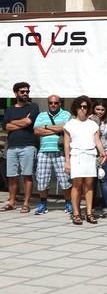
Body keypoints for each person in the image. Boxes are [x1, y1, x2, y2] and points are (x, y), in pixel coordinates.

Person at [63, 96, 107, 225]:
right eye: (80, 106)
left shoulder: (92, 124)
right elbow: (66, 144)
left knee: (89, 185)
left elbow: (97, 140)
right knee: (76, 185)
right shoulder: (70, 124)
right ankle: (76, 213)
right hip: (76, 155)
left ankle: (89, 212)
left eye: (85, 107)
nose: (82, 109)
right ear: (75, 108)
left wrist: (102, 152)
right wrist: (67, 161)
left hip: (90, 154)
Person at [33, 95, 72, 215]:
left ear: (60, 103)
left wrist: (45, 127)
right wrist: (57, 129)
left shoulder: (66, 114)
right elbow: (36, 131)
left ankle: (68, 203)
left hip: (60, 151)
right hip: (44, 151)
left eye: (55, 103)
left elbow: (67, 128)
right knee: (42, 179)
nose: (53, 105)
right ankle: (43, 204)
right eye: (50, 103)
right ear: (48, 103)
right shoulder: (41, 115)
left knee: (65, 179)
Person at [3, 82, 39, 213]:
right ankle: (12, 202)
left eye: (27, 92)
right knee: (12, 176)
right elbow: (6, 126)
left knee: (27, 175)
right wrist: (22, 122)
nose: (25, 94)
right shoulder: (9, 109)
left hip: (28, 145)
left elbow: (29, 122)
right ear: (16, 93)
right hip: (12, 146)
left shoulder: (33, 107)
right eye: (22, 91)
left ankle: (26, 203)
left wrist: (13, 122)